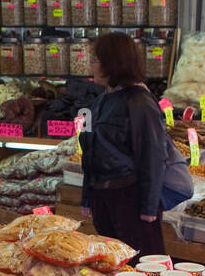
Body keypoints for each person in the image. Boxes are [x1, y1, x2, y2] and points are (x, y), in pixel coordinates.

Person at [80, 32, 191, 256]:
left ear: (113, 63)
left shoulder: (140, 102)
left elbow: (152, 156)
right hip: (104, 198)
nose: (92, 66)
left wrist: (149, 206)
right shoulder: (99, 101)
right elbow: (89, 151)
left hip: (132, 199)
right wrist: (87, 196)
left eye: (96, 60)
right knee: (111, 263)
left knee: (143, 265)